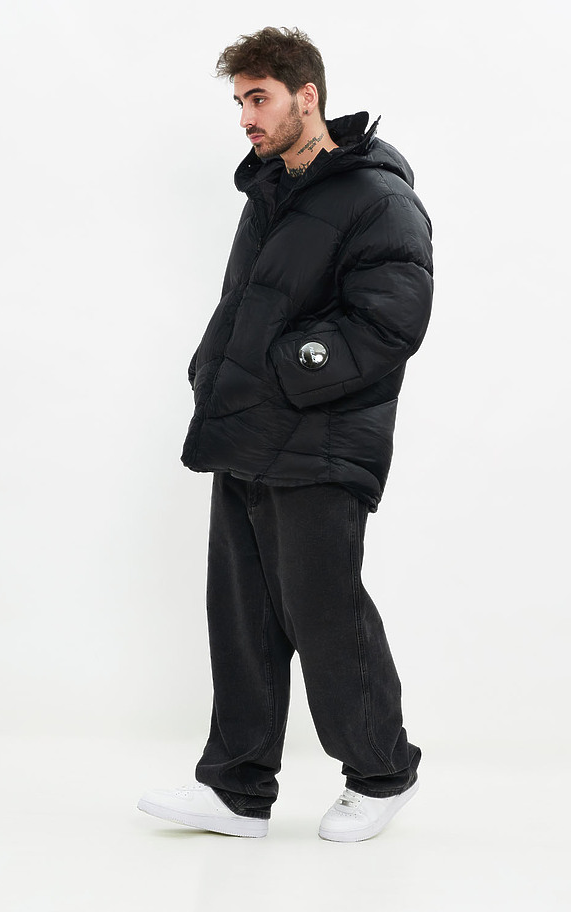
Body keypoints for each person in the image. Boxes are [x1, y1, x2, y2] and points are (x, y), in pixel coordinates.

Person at [137, 26, 433, 842]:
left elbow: (392, 320)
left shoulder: (377, 198)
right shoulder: (272, 190)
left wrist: (283, 367)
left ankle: (381, 773)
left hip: (322, 442)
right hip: (246, 429)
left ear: (309, 96)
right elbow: (246, 304)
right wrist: (214, 372)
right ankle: (238, 788)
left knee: (323, 612)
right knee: (242, 618)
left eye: (259, 98)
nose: (245, 117)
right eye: (239, 101)